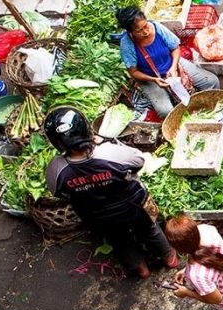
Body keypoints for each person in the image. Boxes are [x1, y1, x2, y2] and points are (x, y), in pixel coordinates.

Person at [44, 107, 176, 279]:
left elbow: (58, 193)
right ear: (86, 130)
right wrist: (107, 143)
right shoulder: (109, 153)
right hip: (133, 207)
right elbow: (139, 161)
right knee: (150, 229)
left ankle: (142, 270)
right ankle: (169, 257)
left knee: (120, 241)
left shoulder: (56, 169)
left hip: (96, 216)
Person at [117, 7, 219, 119]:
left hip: (172, 63)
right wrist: (154, 79)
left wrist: (173, 67)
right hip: (150, 78)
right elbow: (133, 72)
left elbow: (175, 48)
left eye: (145, 26)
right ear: (130, 32)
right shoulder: (126, 44)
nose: (145, 32)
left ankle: (210, 111)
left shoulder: (157, 27)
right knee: (166, 112)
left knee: (211, 82)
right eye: (139, 31)